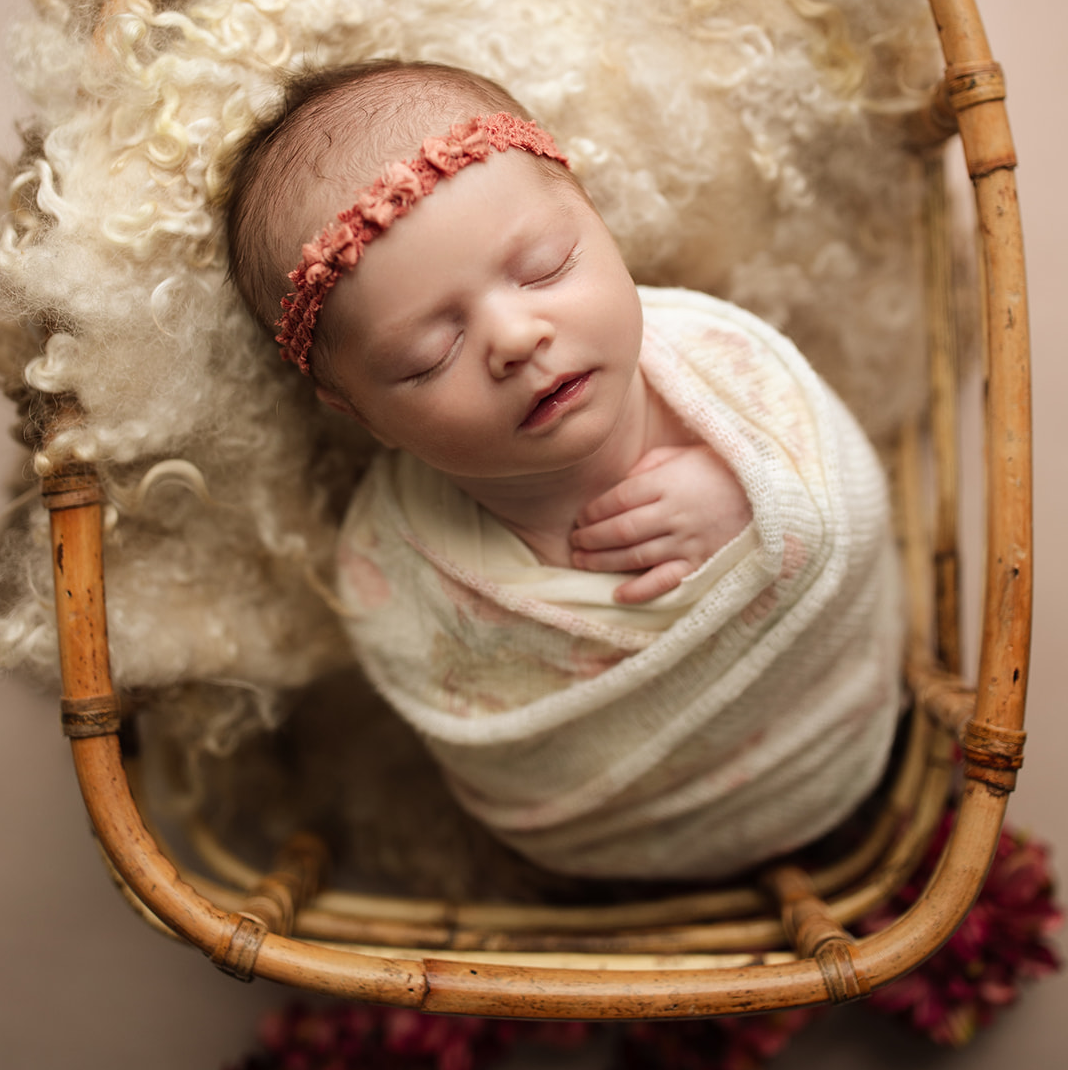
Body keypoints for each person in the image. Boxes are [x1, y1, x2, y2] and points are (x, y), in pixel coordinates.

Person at [227, 58, 901, 881]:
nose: (515, 339)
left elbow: (848, 504)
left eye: (544, 267)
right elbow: (497, 753)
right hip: (614, 844)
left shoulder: (719, 369)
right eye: (427, 353)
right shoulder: (390, 561)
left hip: (824, 743)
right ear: (358, 411)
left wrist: (757, 499)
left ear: (601, 224)